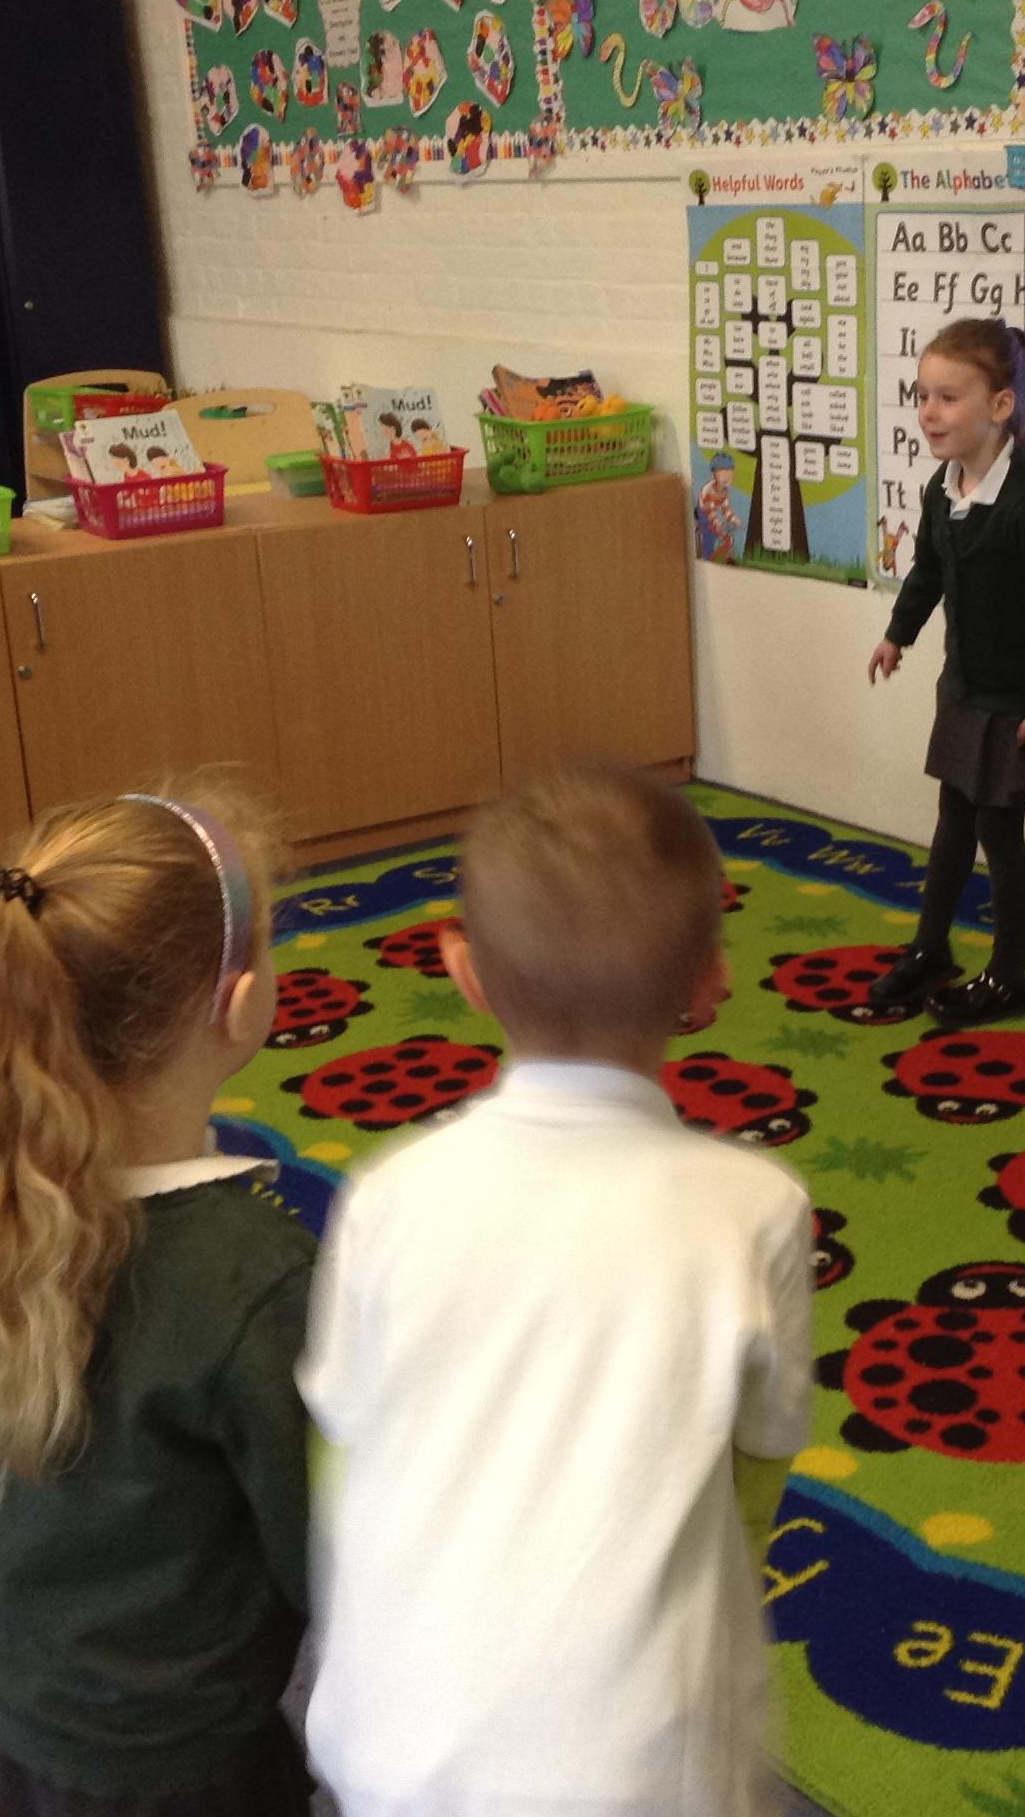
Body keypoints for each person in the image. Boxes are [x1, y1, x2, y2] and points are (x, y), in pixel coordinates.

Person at [299, 764, 812, 1817]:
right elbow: (760, 1471)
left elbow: (340, 1455)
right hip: (641, 1778)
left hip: (387, 1752)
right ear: (708, 981)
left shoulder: (385, 1197)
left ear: (464, 972)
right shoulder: (755, 1209)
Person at [0, 789, 317, 1815]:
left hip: (10, 1740)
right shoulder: (253, 1277)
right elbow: (333, 1562)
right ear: (239, 1002)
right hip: (188, 1776)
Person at [864, 318, 1025, 1027]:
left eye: (948, 397)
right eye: (922, 396)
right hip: (963, 690)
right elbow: (928, 571)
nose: (929, 413)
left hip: (1014, 706)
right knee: (952, 822)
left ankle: (1007, 978)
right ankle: (931, 949)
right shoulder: (945, 489)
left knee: (1000, 834)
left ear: (1000, 406)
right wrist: (897, 635)